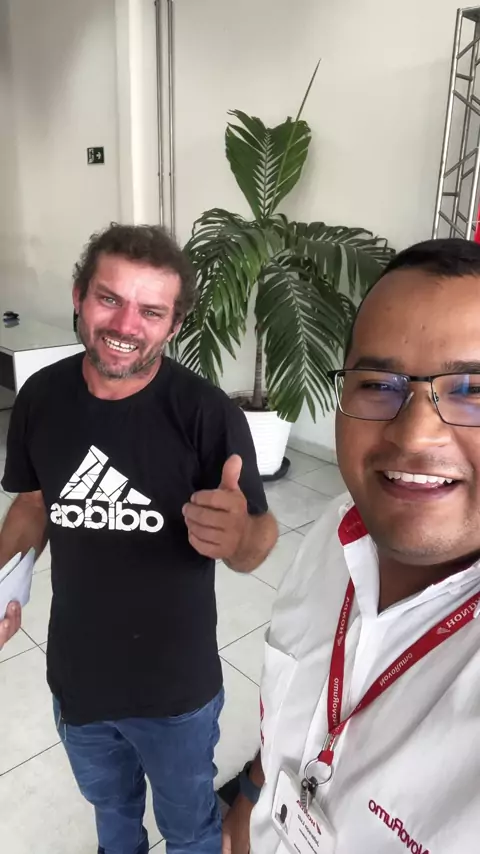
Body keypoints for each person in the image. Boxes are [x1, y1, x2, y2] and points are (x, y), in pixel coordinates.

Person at [0, 223, 278, 854]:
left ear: (173, 325)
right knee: (113, 811)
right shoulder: (41, 398)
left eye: (151, 311)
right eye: (109, 298)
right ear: (79, 296)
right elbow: (33, 503)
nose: (126, 324)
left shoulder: (206, 413)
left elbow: (259, 538)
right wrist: (2, 582)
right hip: (78, 679)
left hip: (175, 691)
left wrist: (239, 536)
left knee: (189, 829)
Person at [223, 237, 480, 854]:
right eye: (379, 384)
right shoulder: (335, 529)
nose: (415, 435)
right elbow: (290, 712)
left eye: (473, 390)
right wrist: (252, 797)